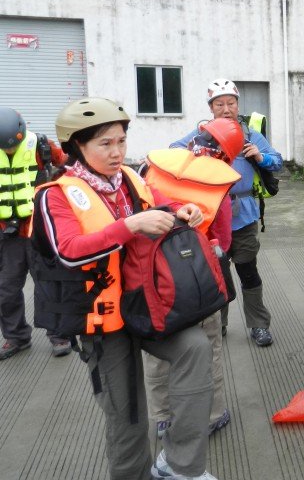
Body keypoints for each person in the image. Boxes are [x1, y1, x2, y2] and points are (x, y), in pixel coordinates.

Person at [30, 97, 216, 480]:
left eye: (121, 141)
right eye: (105, 144)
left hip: (145, 304)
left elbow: (162, 204)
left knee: (196, 348)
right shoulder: (55, 195)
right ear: (77, 146)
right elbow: (68, 251)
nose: (117, 152)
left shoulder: (131, 178)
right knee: (128, 413)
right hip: (102, 322)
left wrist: (183, 209)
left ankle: (180, 464)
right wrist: (130, 226)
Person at [143, 117, 244, 439]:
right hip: (198, 278)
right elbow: (223, 240)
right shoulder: (218, 184)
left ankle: (163, 416)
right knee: (208, 347)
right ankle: (212, 414)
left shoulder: (158, 167)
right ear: (228, 155)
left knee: (158, 349)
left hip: (155, 276)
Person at [172, 79, 283, 346]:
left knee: (248, 271)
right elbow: (174, 151)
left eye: (231, 103)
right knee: (215, 274)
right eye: (219, 104)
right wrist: (196, 148)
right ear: (211, 108)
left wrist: (261, 157)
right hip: (210, 218)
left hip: (244, 217)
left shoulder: (250, 135)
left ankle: (258, 325)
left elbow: (277, 161)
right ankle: (217, 324)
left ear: (238, 105)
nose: (226, 109)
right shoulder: (202, 134)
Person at [0, 106, 72, 360]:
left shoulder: (41, 146)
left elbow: (69, 166)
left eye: (12, 147)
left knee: (48, 284)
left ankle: (59, 335)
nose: (9, 151)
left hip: (40, 229)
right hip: (8, 234)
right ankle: (16, 336)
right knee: (6, 289)